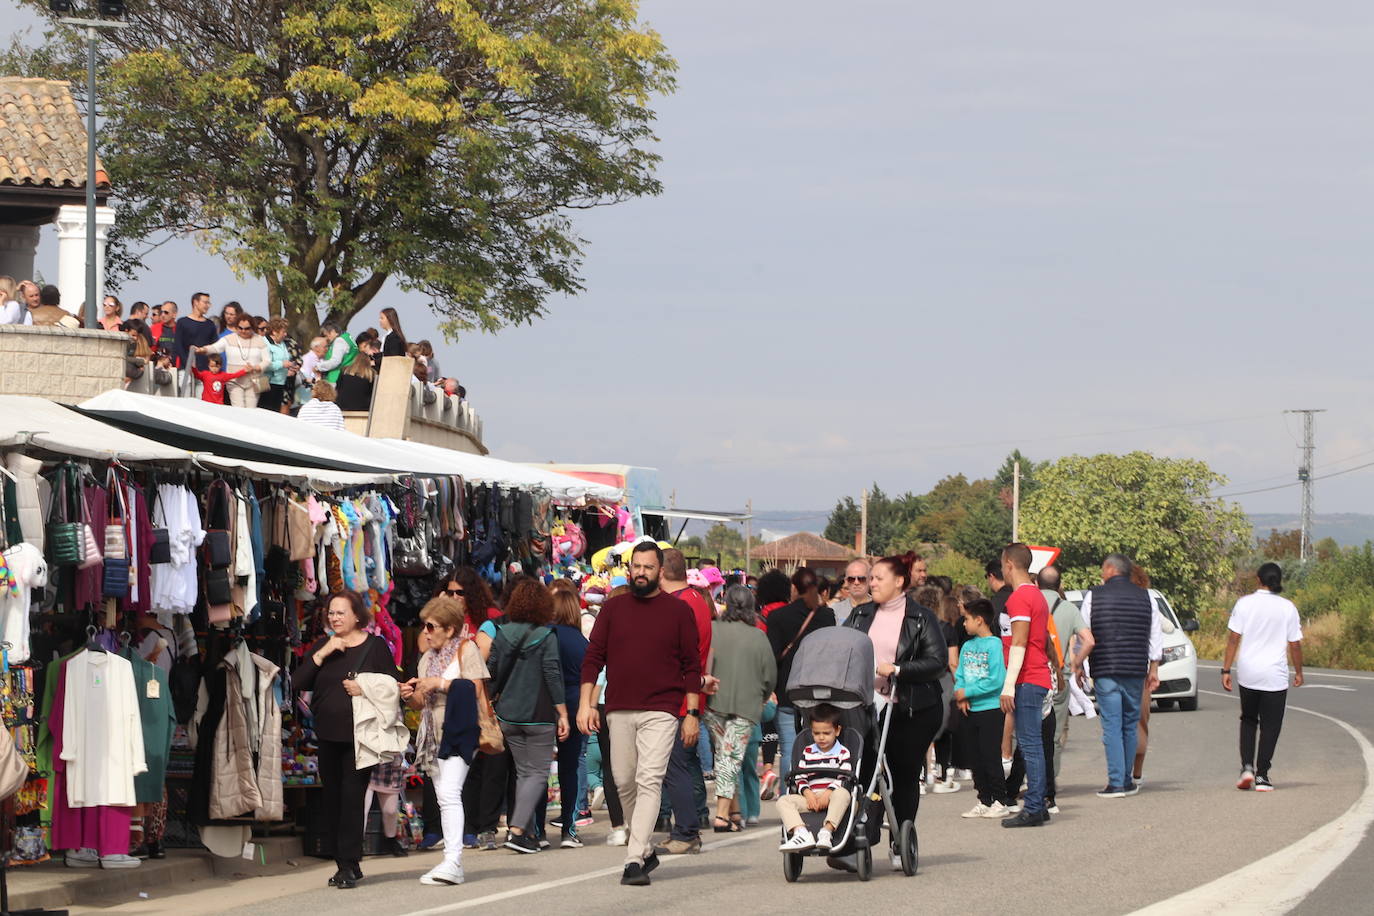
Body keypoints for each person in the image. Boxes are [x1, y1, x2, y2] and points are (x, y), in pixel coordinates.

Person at [578, 542, 702, 887]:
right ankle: (644, 847)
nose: (641, 573)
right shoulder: (613, 609)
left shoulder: (678, 612)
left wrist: (691, 713)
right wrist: (585, 704)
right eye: (637, 567)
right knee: (623, 780)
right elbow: (593, 659)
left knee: (649, 779)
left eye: (648, 567)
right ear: (629, 569)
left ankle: (633, 859)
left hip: (662, 710)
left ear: (660, 571)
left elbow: (692, 667)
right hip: (618, 708)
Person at [842, 552, 947, 867]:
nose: (871, 583)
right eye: (869, 578)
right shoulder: (860, 616)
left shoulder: (921, 617)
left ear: (899, 582)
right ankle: (858, 840)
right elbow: (842, 647)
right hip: (866, 707)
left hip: (911, 708)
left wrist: (898, 669)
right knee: (863, 773)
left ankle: (901, 839)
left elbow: (937, 662)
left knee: (903, 775)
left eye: (877, 578)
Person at [290, 591, 397, 889]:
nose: (335, 618)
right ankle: (343, 862)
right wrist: (322, 653)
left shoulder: (375, 646)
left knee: (352, 799)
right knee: (333, 800)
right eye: (331, 613)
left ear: (357, 616)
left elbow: (392, 686)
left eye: (341, 613)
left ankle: (349, 863)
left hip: (360, 737)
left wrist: (364, 688)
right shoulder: (325, 644)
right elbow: (297, 683)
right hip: (327, 735)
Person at [402, 595, 489, 885]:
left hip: (460, 729)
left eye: (431, 626)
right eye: (424, 626)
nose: (425, 631)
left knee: (450, 793)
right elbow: (419, 702)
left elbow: (475, 688)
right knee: (443, 796)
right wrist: (411, 694)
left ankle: (453, 860)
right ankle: (452, 861)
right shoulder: (427, 658)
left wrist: (439, 683)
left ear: (449, 629)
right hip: (432, 732)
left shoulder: (467, 649)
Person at [485, 580, 569, 854]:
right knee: (537, 773)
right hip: (539, 715)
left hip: (508, 715)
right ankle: (518, 829)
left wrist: (490, 702)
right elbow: (553, 676)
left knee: (524, 774)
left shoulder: (501, 632)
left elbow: (492, 673)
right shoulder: (546, 636)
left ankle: (524, 833)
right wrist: (563, 712)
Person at [1073, 553, 1157, 799]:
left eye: (1102, 569)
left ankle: (1116, 782)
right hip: (1135, 669)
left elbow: (1085, 635)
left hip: (1106, 668)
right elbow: (1154, 637)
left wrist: (1080, 666)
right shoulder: (1146, 597)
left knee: (1111, 725)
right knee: (1130, 724)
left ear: (1110, 569)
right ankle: (1128, 780)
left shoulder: (1093, 596)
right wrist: (1154, 669)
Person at [654, 548, 715, 856]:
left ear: (662, 572)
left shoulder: (677, 606)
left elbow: (676, 657)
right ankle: (688, 826)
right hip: (690, 693)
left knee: (674, 765)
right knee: (683, 765)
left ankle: (686, 830)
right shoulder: (697, 601)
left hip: (678, 697)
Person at [1223, 563, 1303, 792]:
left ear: (1258, 579)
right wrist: (1299, 671)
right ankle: (1262, 775)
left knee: (1248, 719)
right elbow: (1295, 644)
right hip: (1274, 674)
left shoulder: (1244, 603)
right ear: (1279, 580)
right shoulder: (1288, 607)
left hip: (1248, 671)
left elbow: (1233, 639)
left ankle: (1246, 767)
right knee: (1271, 725)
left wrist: (1226, 670)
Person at [706, 584, 775, 833]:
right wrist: (762, 696)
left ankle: (734, 811)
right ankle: (723, 816)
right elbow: (769, 676)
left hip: (713, 703)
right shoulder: (758, 636)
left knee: (725, 758)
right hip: (746, 705)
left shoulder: (712, 629)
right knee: (730, 758)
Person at [997, 543, 1053, 828]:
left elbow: (1019, 643)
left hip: (1027, 677)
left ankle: (1033, 807)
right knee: (1035, 745)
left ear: (1008, 564)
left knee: (1030, 744)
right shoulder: (1038, 596)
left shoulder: (1019, 598)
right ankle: (1039, 803)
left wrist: (1008, 686)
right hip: (1036, 675)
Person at [767, 566, 835, 788]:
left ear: (794, 587)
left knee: (789, 746)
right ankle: (814, 788)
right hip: (817, 689)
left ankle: (789, 794)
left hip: (786, 688)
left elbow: (773, 656)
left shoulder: (778, 616)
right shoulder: (826, 616)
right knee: (816, 744)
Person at [955, 598, 1011, 818]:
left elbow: (996, 679)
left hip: (990, 708)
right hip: (969, 710)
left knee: (990, 755)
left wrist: (968, 692)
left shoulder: (995, 645)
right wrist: (961, 695)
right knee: (975, 757)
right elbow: (960, 674)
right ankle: (984, 799)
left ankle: (1000, 799)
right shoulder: (967, 646)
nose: (964, 624)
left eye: (966, 619)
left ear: (979, 620)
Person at [542, 588, 590, 848]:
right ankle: (568, 830)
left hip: (544, 706)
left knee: (537, 770)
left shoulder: (545, 636)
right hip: (574, 706)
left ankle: (537, 830)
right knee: (569, 769)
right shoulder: (581, 642)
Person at [1040, 565, 1094, 791]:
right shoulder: (1069, 609)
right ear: (1059, 585)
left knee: (1024, 731)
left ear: (1037, 584)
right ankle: (1049, 782)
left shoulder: (1028, 602)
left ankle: (1027, 780)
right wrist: (1076, 662)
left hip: (1031, 674)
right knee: (1054, 732)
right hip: (1058, 676)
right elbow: (1089, 641)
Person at [776, 704, 853, 852]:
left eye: (826, 733)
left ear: (837, 731)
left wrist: (828, 793)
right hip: (811, 797)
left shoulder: (843, 752)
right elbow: (800, 776)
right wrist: (807, 793)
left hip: (832, 797)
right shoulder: (808, 751)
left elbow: (844, 776)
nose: (821, 737)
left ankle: (827, 831)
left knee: (843, 794)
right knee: (783, 801)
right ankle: (801, 832)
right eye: (817, 733)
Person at [195, 314, 266, 407]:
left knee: (251, 410)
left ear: (252, 327)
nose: (243, 331)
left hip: (256, 380)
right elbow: (215, 348)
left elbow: (267, 360)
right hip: (235, 380)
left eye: (247, 328)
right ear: (236, 327)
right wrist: (203, 349)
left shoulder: (260, 339)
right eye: (240, 328)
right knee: (238, 409)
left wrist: (257, 367)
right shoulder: (229, 338)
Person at [174, 292, 219, 393]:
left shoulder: (210, 324)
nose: (208, 305)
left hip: (204, 371)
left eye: (209, 303)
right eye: (205, 302)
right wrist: (187, 365)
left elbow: (214, 347)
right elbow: (178, 346)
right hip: (185, 370)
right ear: (196, 302)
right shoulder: (182, 322)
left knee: (202, 402)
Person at [260, 318, 295, 412]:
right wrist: (282, 364)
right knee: (265, 411)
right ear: (274, 332)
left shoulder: (282, 343)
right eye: (283, 332)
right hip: (266, 382)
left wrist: (290, 368)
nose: (285, 334)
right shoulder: (264, 343)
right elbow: (265, 364)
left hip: (279, 383)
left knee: (275, 412)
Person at [831, 559, 871, 625]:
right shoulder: (835, 610)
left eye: (861, 579)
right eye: (851, 579)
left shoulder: (880, 610)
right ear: (846, 581)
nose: (856, 582)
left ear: (869, 579)